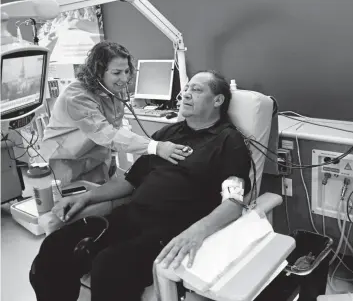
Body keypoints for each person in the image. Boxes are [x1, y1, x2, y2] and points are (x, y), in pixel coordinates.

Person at [30, 70, 252, 301]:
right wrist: (86, 198)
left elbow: (234, 203)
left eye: (196, 90)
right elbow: (129, 180)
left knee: (109, 266)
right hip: (130, 217)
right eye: (186, 89)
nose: (185, 94)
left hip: (172, 229)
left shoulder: (229, 141)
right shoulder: (167, 133)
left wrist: (197, 232)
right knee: (55, 248)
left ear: (218, 100)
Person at [40, 41, 191, 185]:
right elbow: (106, 133)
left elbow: (115, 126)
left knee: (100, 198)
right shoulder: (76, 97)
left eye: (126, 71)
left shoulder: (112, 90)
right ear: (98, 71)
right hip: (64, 162)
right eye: (117, 72)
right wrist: (155, 147)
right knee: (70, 204)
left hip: (95, 158)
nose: (124, 79)